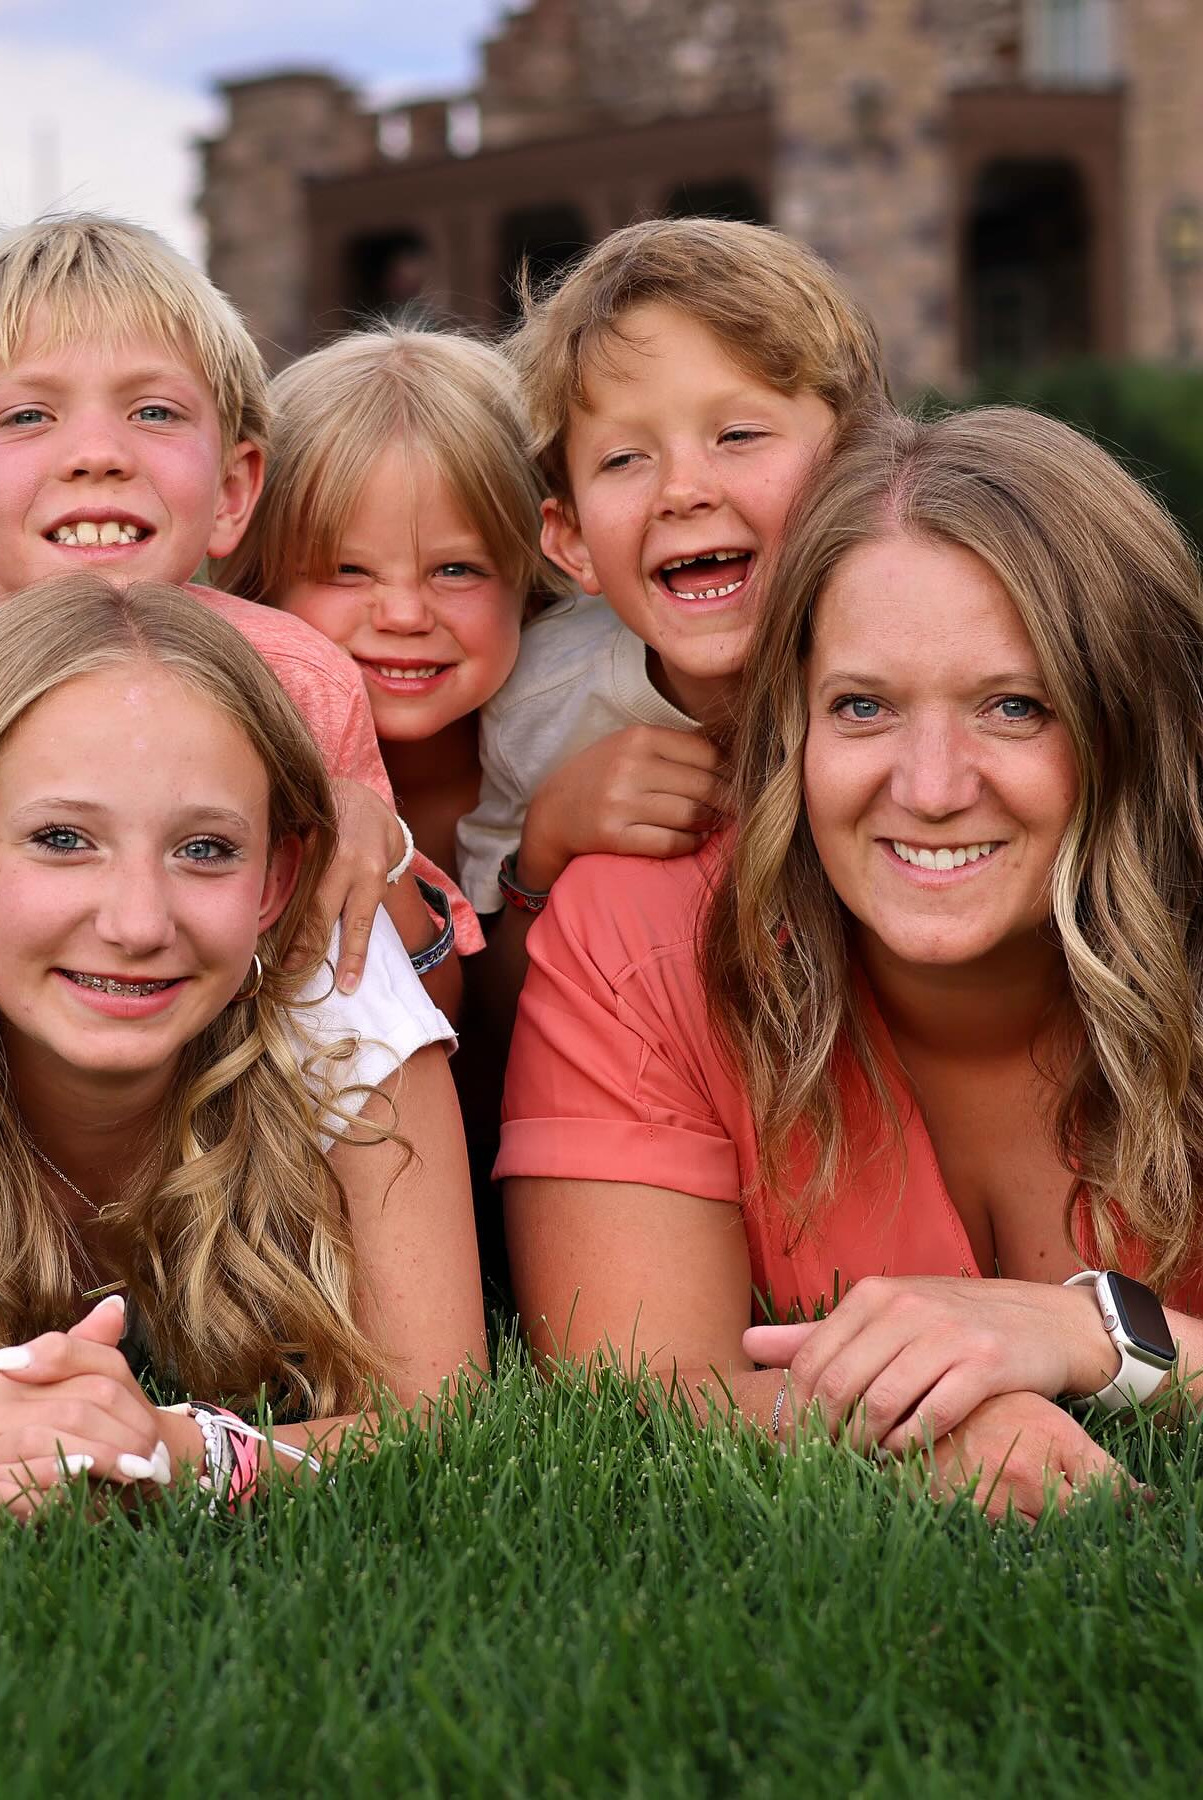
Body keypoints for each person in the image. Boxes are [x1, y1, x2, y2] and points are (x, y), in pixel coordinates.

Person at [499, 407, 1203, 1523]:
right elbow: (628, 1397)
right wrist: (907, 1414)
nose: (929, 788)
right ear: (794, 725)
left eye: (1015, 708)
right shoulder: (645, 939)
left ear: (1130, 717)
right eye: (863, 707)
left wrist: (1094, 1335)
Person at [0, 577, 486, 1512]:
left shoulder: (333, 973)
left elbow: (442, 1417)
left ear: (276, 882)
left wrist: (175, 1451)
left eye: (205, 850)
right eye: (63, 839)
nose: (138, 923)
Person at [0, 213, 475, 1019]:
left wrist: (375, 852)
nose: (98, 453)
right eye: (29, 416)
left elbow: (421, 1019)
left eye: (155, 413)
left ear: (232, 491)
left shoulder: (302, 687)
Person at [452, 215, 891, 1041]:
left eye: (739, 435)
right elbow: (493, 1035)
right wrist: (544, 850)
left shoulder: (936, 658)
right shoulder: (540, 703)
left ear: (861, 466)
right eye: (625, 459)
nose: (683, 490)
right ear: (572, 541)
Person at [221, 323, 564, 893]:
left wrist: (545, 854)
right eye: (347, 569)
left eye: (456, 570)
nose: (404, 617)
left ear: (536, 578)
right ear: (259, 584)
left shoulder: (585, 749)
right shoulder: (217, 773)